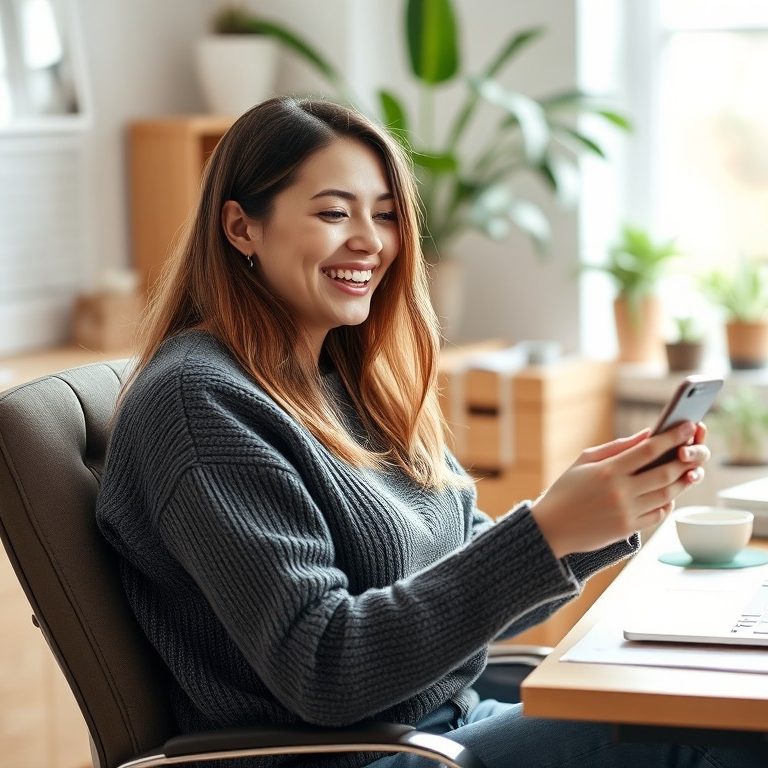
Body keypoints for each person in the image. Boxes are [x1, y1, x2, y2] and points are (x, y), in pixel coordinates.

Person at [95, 96, 759, 768]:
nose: (371, 240)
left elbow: (469, 573)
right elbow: (324, 669)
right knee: (721, 724)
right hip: (354, 758)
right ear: (241, 228)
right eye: (334, 212)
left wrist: (586, 521)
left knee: (706, 696)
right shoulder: (200, 404)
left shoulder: (351, 382)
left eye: (384, 214)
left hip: (446, 730)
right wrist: (549, 532)